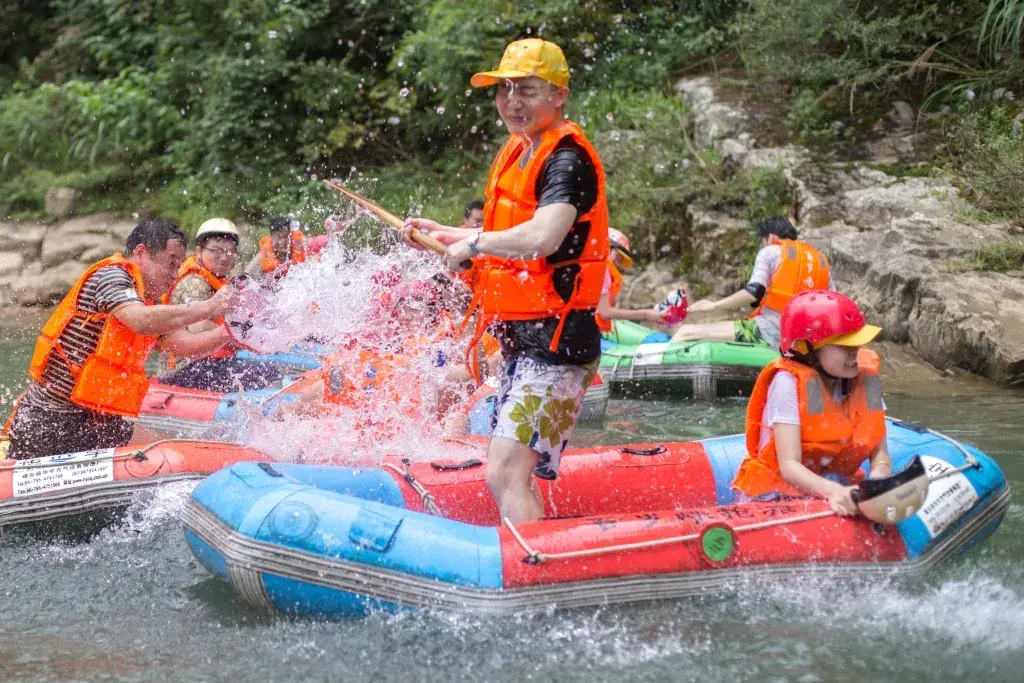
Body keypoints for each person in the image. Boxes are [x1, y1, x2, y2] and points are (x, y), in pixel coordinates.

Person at [401, 39, 609, 523]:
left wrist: (471, 246)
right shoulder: (519, 151)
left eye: (528, 90)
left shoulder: (566, 159)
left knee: (505, 470)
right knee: (510, 469)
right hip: (521, 336)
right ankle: (536, 555)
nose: (512, 101)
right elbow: (501, 232)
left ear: (559, 94)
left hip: (559, 338)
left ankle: (532, 580)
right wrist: (445, 233)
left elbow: (544, 235)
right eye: (504, 89)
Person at [4, 219, 237, 460]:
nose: (174, 274)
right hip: (52, 421)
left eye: (178, 265)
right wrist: (210, 307)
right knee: (167, 454)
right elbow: (139, 320)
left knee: (176, 450)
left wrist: (228, 333)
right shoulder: (111, 277)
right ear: (141, 253)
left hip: (96, 422)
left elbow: (185, 346)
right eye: (170, 263)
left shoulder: (147, 302)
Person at [731, 290, 893, 516]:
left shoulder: (867, 380)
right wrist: (835, 492)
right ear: (807, 348)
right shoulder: (787, 383)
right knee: (834, 483)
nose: (855, 354)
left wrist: (879, 480)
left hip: (831, 483)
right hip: (774, 497)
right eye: (844, 346)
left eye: (856, 344)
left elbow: (880, 453)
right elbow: (789, 467)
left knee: (838, 481)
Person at [158, 218, 284, 392]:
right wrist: (239, 337)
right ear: (199, 251)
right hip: (183, 369)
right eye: (216, 251)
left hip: (205, 361)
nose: (224, 257)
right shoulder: (195, 284)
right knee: (268, 373)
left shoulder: (217, 281)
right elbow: (197, 327)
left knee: (266, 369)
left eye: (230, 251)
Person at [670, 216, 832, 349]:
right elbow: (832, 304)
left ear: (770, 237)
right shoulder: (820, 261)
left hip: (770, 333)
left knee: (686, 332)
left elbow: (754, 292)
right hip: (805, 342)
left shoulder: (770, 251)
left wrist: (714, 306)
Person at [595, 227, 669, 331]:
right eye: (618, 255)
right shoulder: (601, 268)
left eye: (620, 258)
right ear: (607, 247)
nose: (617, 262)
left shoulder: (594, 264)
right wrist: (645, 314)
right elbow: (605, 313)